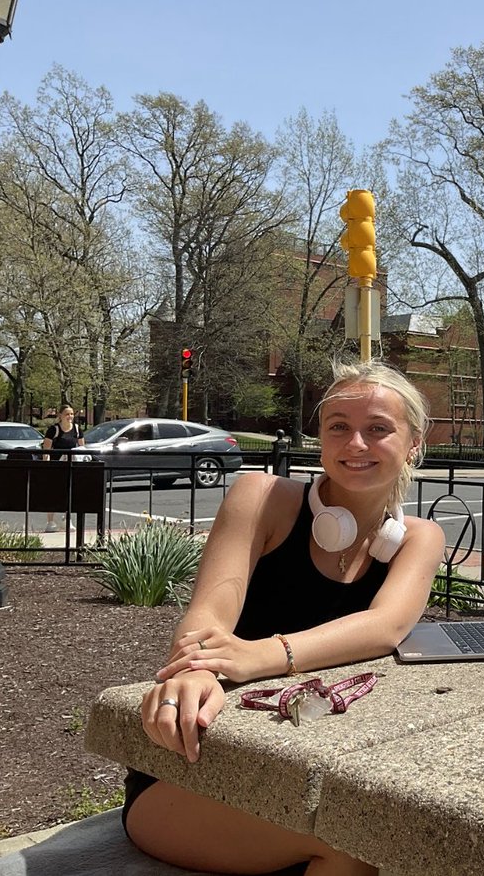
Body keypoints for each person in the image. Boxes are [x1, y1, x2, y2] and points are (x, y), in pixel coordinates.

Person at [125, 360, 445, 876]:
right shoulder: (263, 496)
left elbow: (386, 626)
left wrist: (262, 655)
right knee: (358, 840)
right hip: (194, 770)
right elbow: (210, 610)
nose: (355, 444)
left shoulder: (419, 538)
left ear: (414, 443)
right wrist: (200, 666)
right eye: (338, 426)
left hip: (317, 767)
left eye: (378, 428)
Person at [41, 404, 85, 533]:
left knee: (70, 493)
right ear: (60, 416)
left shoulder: (77, 429)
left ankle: (67, 519)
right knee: (53, 493)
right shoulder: (53, 430)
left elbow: (82, 448)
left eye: (71, 414)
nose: (70, 417)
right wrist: (47, 466)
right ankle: (50, 521)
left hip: (71, 466)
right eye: (67, 414)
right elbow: (46, 450)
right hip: (56, 467)